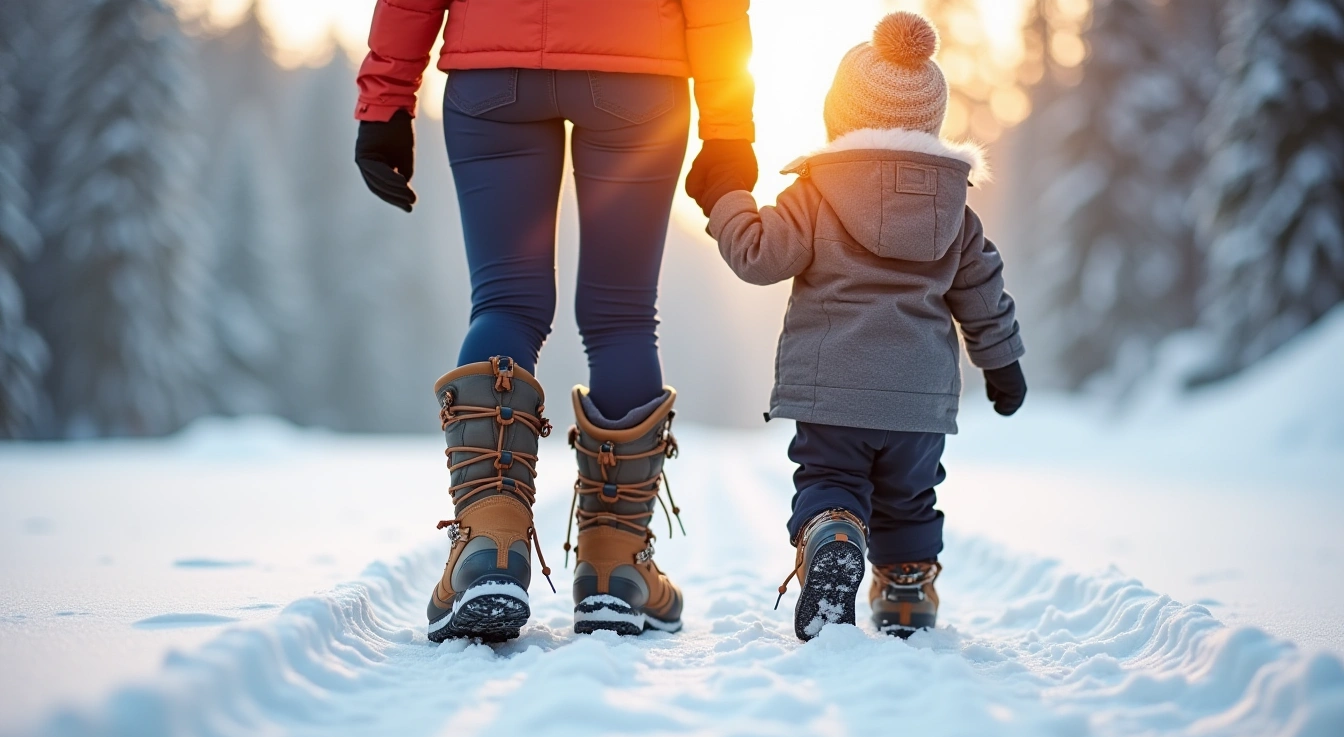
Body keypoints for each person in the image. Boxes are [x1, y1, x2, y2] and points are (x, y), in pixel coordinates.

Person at [352, 1, 756, 642]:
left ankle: (490, 545)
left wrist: (386, 100)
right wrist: (728, 128)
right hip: (637, 71)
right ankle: (614, 568)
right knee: (622, 317)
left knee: (503, 304)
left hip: (494, 69)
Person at [687, 11, 1028, 641]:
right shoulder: (955, 209)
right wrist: (1001, 361)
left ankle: (834, 537)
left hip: (833, 391)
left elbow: (759, 256)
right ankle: (905, 593)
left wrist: (726, 198)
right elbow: (982, 287)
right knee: (910, 499)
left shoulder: (816, 193)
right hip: (918, 401)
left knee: (831, 483)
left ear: (840, 113)